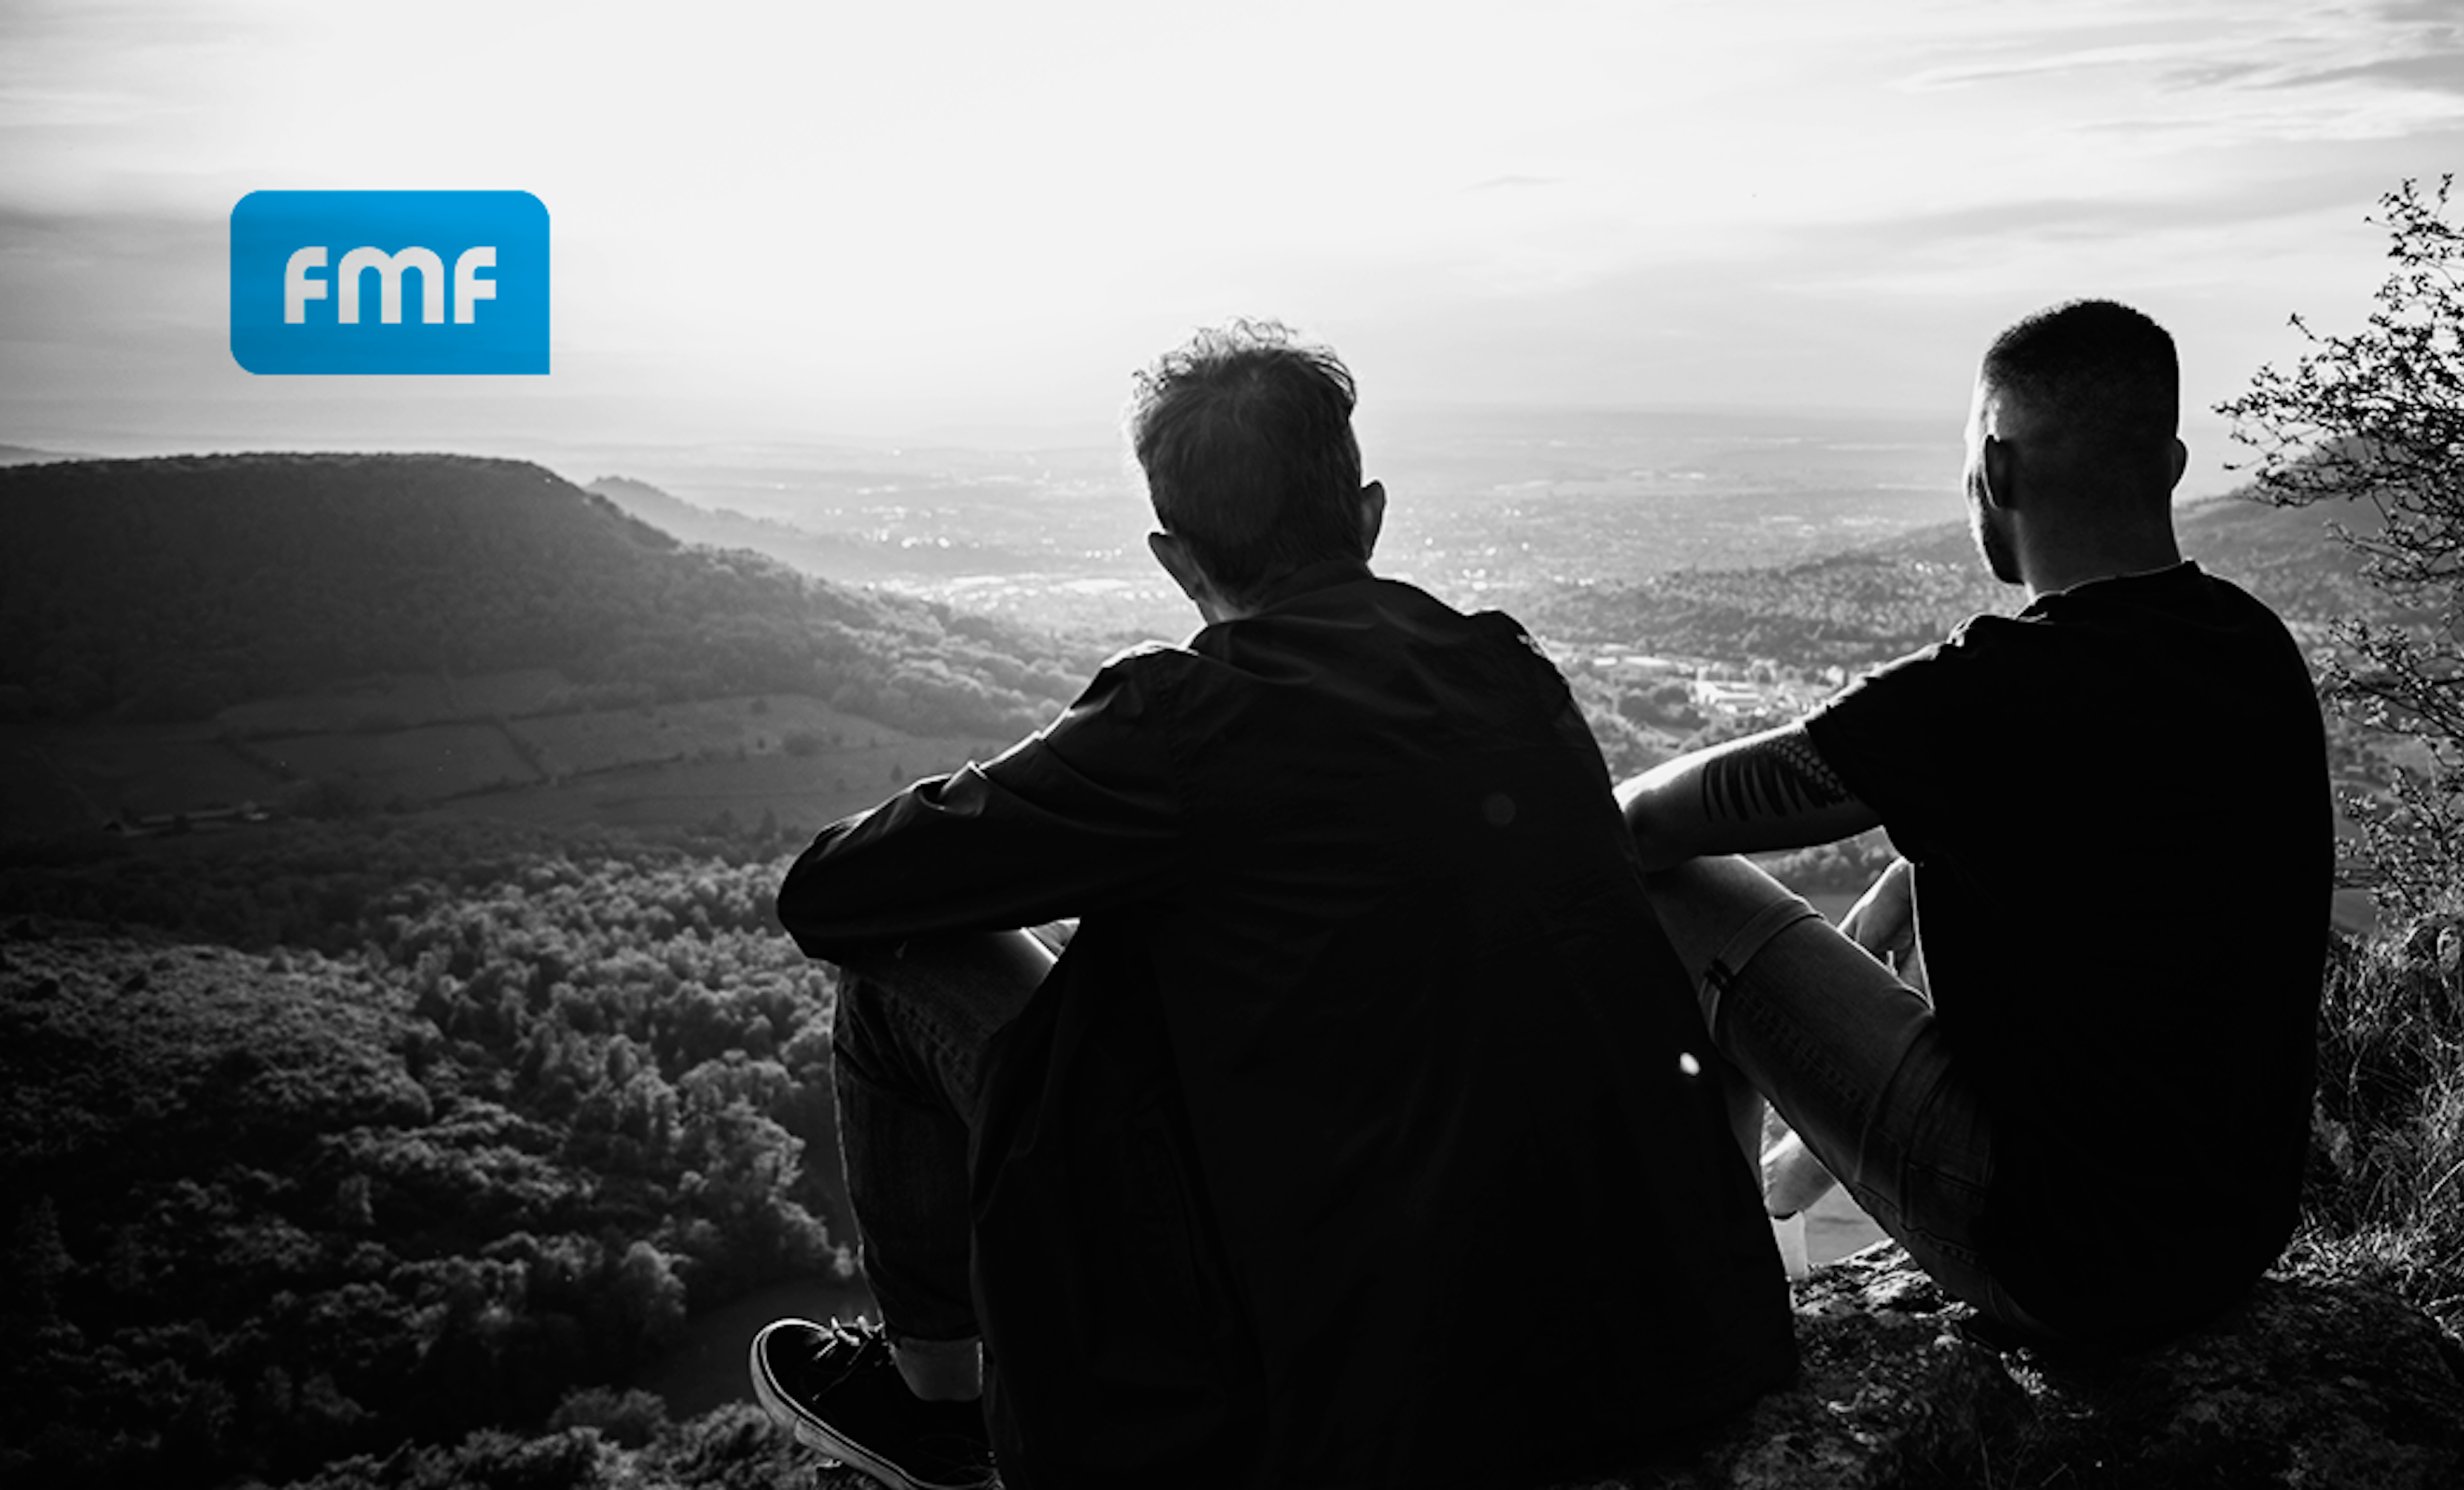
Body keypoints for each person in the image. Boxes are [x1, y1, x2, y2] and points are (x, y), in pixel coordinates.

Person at [754, 320, 1796, 1490]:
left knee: (895, 967)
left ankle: (935, 1399)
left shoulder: (1180, 721)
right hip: (1677, 1340)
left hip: (1387, 1405)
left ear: (1174, 560)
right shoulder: (1512, 672)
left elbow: (830, 893)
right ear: (1370, 515)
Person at [1615, 299, 2331, 1354]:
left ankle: (1720, 1291)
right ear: (2172, 465)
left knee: (1680, 890)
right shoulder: (2251, 647)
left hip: (2058, 1259)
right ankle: (1781, 1193)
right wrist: (1912, 873)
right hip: (2230, 1240)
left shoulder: (1988, 691)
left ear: (1995, 469)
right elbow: (2111, 850)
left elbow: (1646, 822)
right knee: (1927, 873)